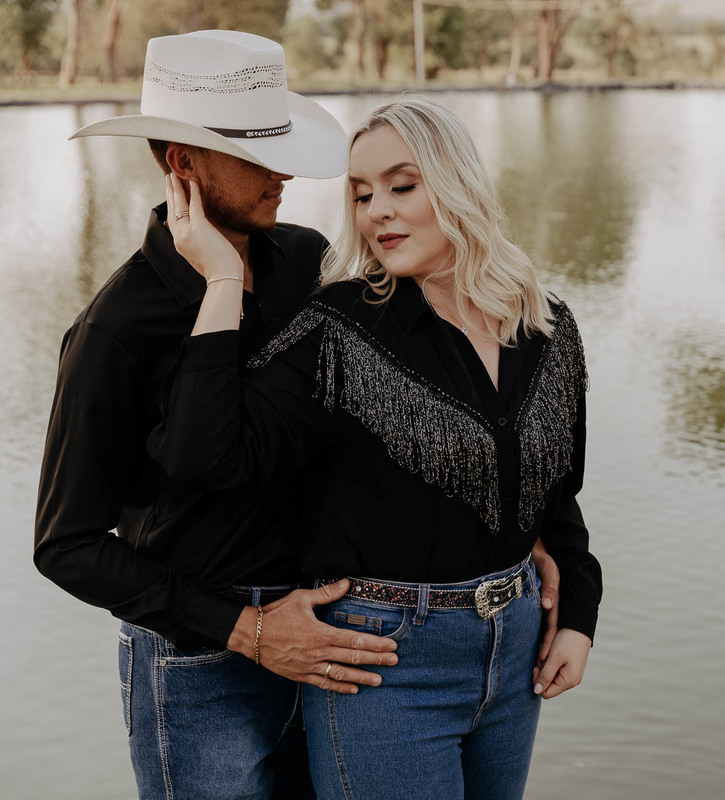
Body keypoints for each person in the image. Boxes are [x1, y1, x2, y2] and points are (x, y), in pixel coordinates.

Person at [33, 32, 559, 799]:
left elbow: (397, 401)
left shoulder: (306, 263)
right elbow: (65, 545)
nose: (282, 167)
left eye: (278, 141)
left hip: (341, 629)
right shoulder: (117, 329)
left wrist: (513, 518)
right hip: (204, 665)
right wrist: (246, 631)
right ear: (182, 165)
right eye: (251, 151)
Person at [152, 97, 602, 798]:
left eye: (401, 185)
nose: (377, 212)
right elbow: (205, 458)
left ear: (456, 184)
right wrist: (220, 279)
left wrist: (578, 618)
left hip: (515, 655)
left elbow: (555, 493)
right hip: (383, 661)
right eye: (361, 194)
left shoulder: (546, 325)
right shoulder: (340, 328)